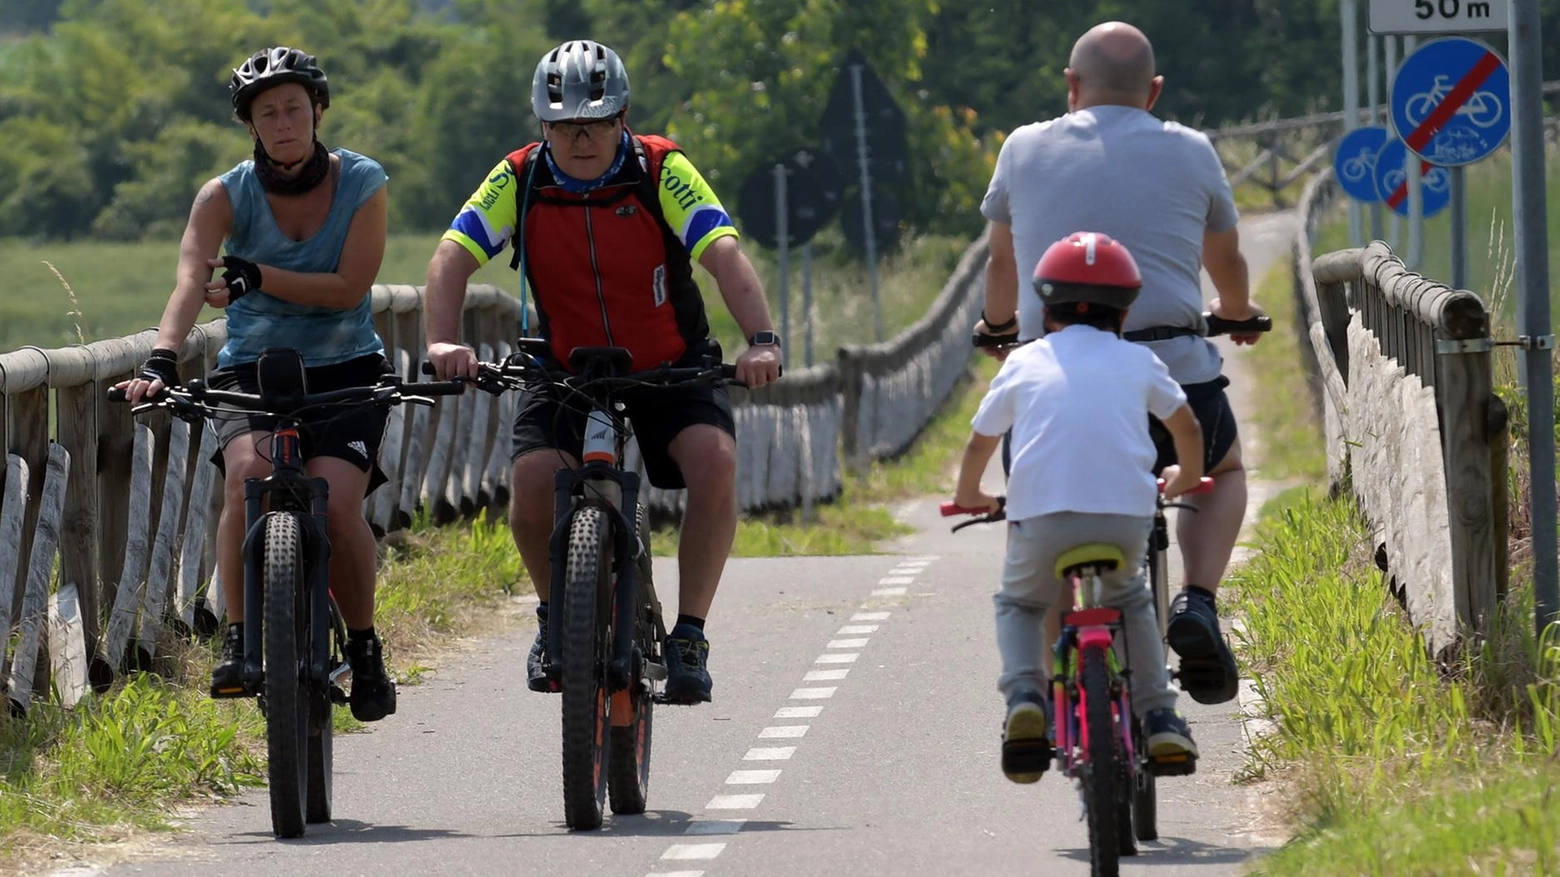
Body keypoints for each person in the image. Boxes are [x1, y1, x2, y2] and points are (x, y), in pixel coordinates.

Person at [423, 39, 782, 705]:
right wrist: (443, 341)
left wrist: (761, 340)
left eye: (597, 120)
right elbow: (452, 255)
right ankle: (553, 615)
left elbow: (723, 253)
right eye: (564, 125)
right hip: (564, 366)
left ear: (623, 118)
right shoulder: (521, 176)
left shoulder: (659, 167)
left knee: (714, 462)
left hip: (669, 364)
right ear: (543, 126)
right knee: (531, 486)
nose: (581, 137)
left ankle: (690, 633)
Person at [974, 21, 1265, 706]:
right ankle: (1196, 599)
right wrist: (1239, 310)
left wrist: (997, 326)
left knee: (1040, 510)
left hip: (1058, 383)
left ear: (1071, 86)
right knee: (1219, 471)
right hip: (1175, 375)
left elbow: (1001, 260)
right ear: (1155, 91)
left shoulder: (1022, 147)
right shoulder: (1192, 150)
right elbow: (1225, 260)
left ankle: (1046, 687)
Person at [116, 47, 397, 722]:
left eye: (294, 107)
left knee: (334, 506)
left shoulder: (362, 181)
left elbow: (350, 287)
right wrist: (161, 360)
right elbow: (190, 280)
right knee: (247, 478)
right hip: (253, 369)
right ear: (251, 126)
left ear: (318, 111)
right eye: (267, 113)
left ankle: (363, 647)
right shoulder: (223, 195)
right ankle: (241, 637)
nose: (283, 122)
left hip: (346, 367)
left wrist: (259, 276)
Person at [954, 232, 1203, 783]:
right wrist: (1184, 475)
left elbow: (980, 441)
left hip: (1040, 517)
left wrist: (971, 494)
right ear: (1127, 310)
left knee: (1020, 603)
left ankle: (1026, 697)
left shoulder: (1024, 362)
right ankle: (1158, 713)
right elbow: (1185, 424)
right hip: (1123, 515)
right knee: (1133, 601)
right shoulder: (1137, 360)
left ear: (1044, 309)